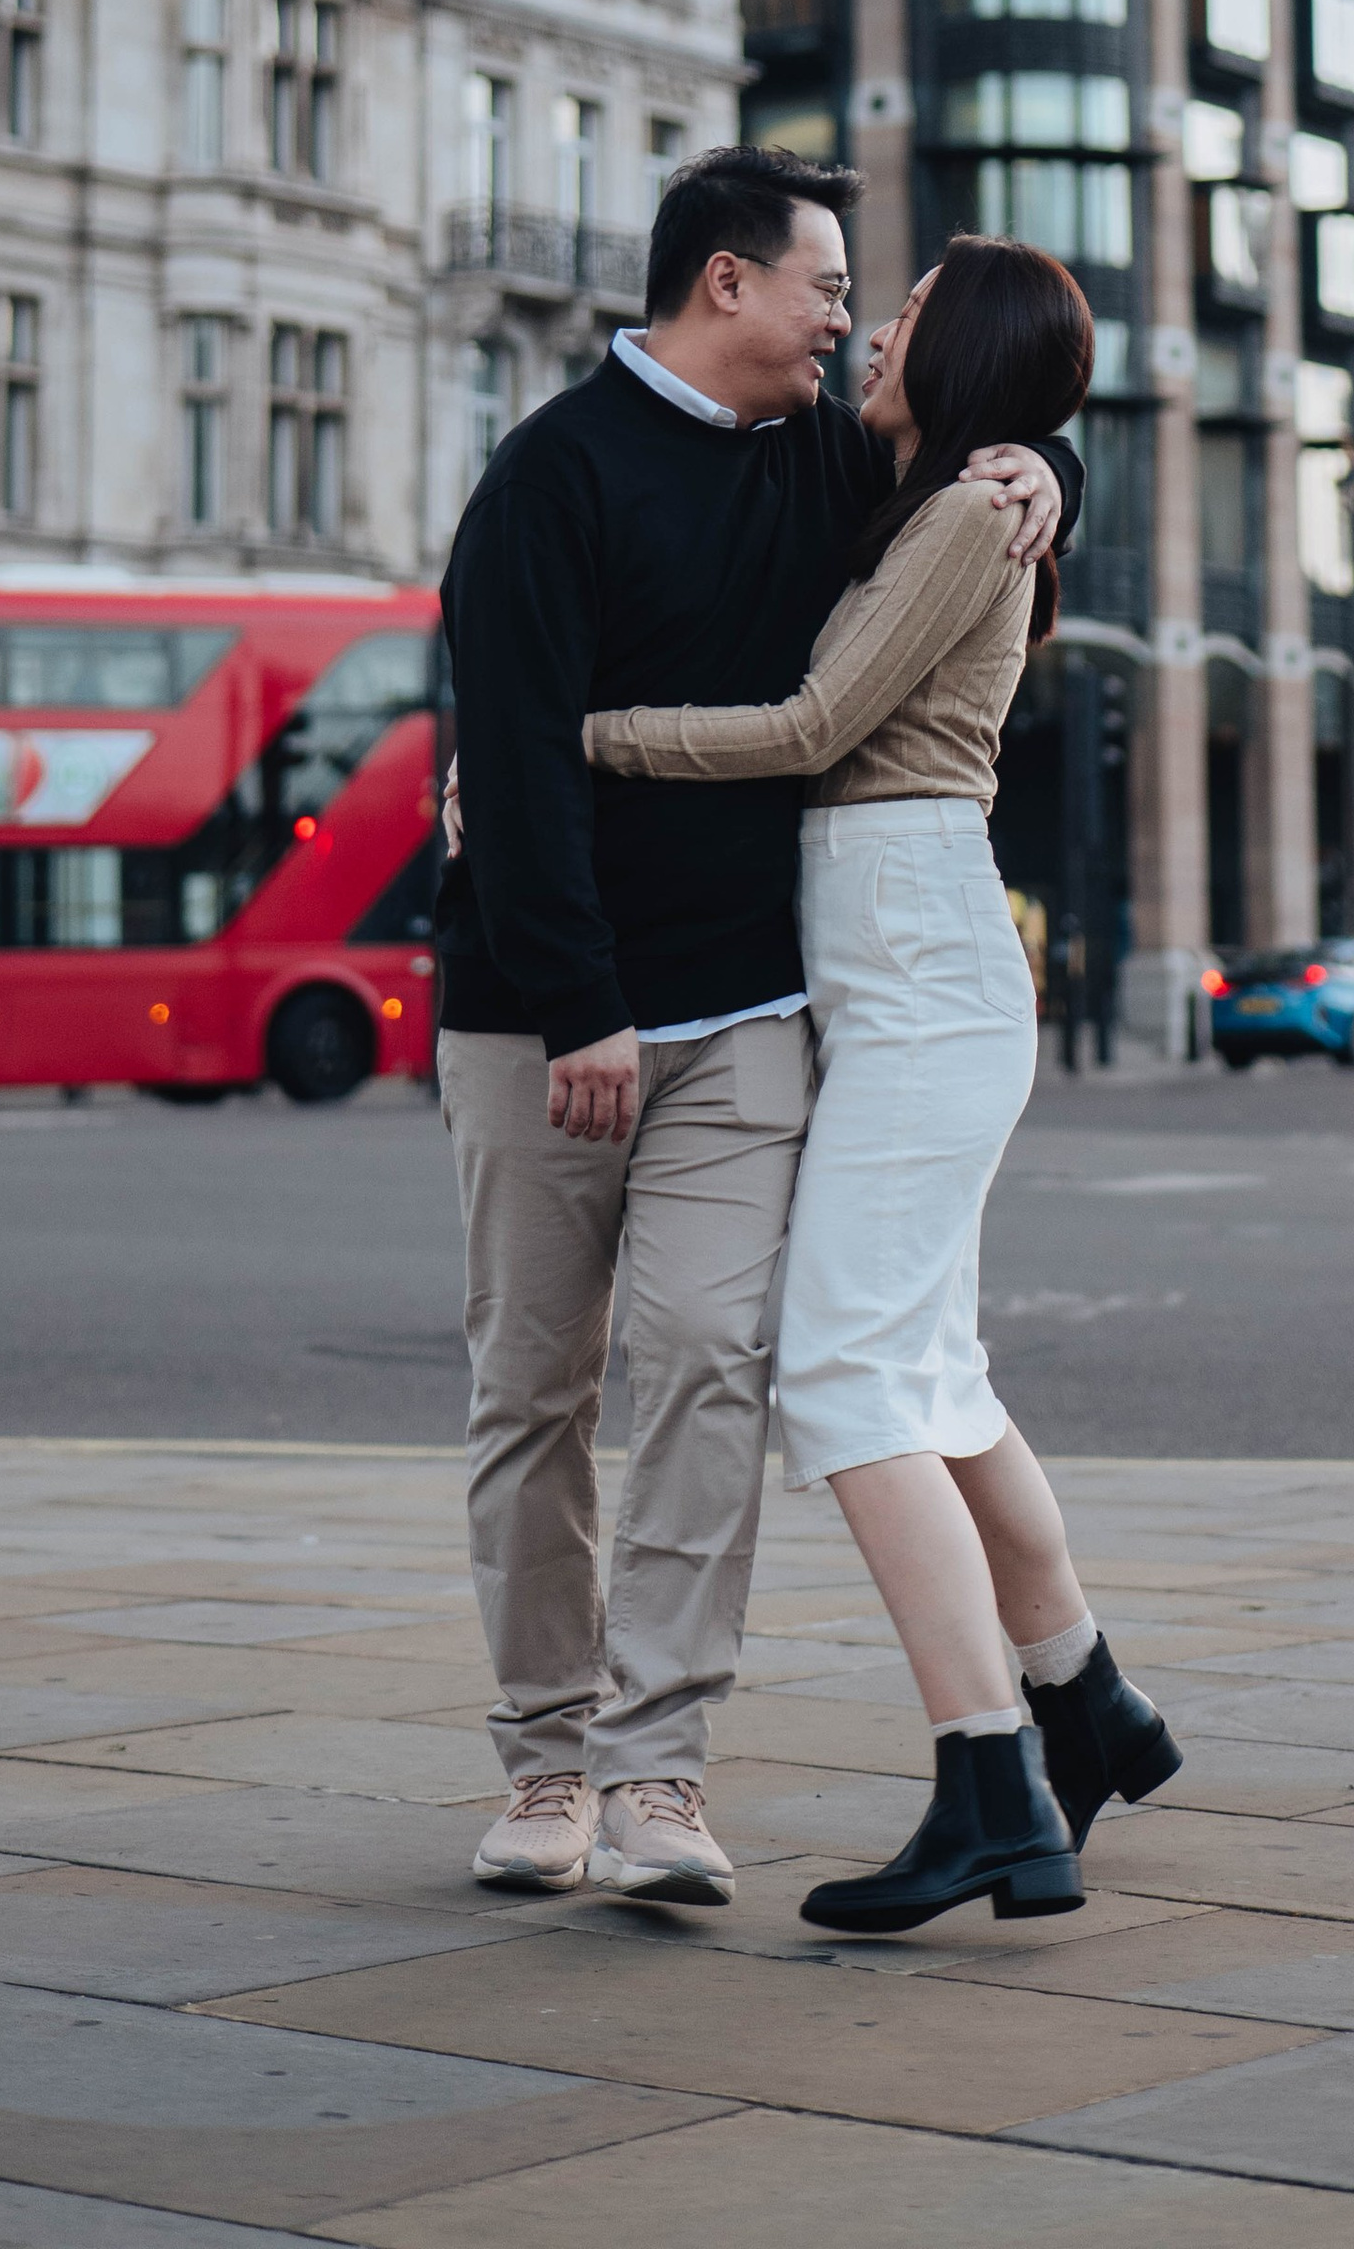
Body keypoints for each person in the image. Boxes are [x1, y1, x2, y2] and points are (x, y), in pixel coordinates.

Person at [435, 149, 1077, 1907]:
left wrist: (1050, 467)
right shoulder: (546, 477)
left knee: (718, 1367)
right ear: (727, 282)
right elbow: (509, 747)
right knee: (534, 1391)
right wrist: (576, 1003)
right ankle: (547, 1766)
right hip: (539, 1014)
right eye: (824, 289)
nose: (847, 322)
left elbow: (970, 469)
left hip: (746, 1014)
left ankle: (658, 1774)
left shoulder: (822, 452)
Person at [583, 234, 1179, 1933]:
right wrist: (1055, 454)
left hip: (919, 960)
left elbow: (812, 720)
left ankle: (992, 1782)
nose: (870, 328)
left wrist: (589, 732)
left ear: (966, 351)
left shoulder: (967, 513)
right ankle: (1085, 1704)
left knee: (844, 1381)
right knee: (926, 1366)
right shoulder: (940, 488)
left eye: (906, 313)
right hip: (903, 960)